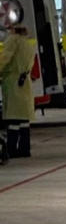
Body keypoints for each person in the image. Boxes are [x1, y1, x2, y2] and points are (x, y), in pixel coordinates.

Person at [0, 23, 35, 160]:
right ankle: (24, 148)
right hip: (25, 81)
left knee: (13, 117)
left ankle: (12, 148)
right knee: (24, 118)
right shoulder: (27, 42)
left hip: (13, 81)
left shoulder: (13, 40)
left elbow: (4, 59)